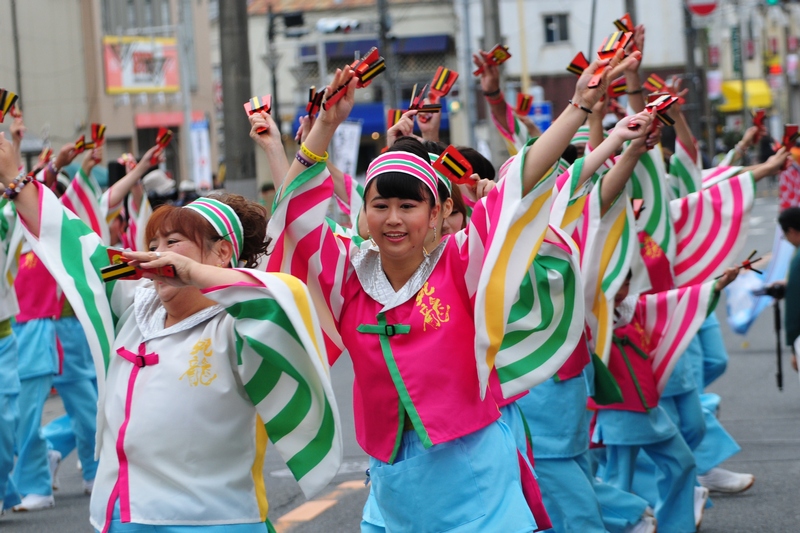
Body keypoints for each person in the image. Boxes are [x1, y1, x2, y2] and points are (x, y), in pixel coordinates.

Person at [263, 52, 619, 531]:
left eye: (408, 205)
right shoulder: (349, 274)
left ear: (438, 212)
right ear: (362, 212)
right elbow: (297, 220)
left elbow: (518, 185)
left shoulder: (461, 262)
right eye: (380, 205)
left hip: (471, 464)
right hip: (391, 473)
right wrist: (325, 125)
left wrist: (576, 109)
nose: (392, 218)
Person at [0, 134, 342, 532]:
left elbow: (285, 299)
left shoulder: (238, 324)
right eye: (153, 243)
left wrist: (196, 275)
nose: (157, 253)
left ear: (221, 253)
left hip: (216, 520)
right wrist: (13, 177)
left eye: (173, 243)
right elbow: (76, 244)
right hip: (125, 517)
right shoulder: (134, 306)